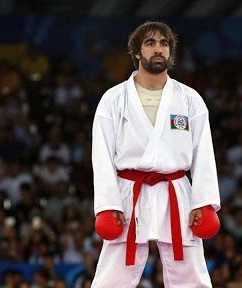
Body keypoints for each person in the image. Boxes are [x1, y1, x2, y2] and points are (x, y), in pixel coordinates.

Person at [91, 21, 220, 287]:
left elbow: (203, 152)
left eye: (164, 44)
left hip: (176, 191)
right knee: (112, 275)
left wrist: (203, 202)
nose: (158, 49)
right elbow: (101, 155)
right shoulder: (114, 99)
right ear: (137, 52)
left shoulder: (189, 99)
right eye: (150, 43)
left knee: (191, 274)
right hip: (128, 192)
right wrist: (108, 204)